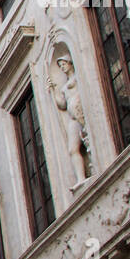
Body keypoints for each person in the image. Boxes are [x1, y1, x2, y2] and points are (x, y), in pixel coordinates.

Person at [47, 55, 90, 190]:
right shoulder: (65, 86)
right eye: (60, 66)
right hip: (72, 118)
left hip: (81, 115)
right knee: (72, 149)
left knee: (88, 141)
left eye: (64, 63)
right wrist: (53, 91)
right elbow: (62, 105)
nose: (62, 67)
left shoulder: (77, 77)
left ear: (70, 63)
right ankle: (80, 178)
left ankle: (92, 166)